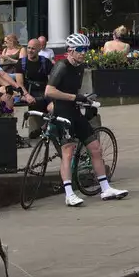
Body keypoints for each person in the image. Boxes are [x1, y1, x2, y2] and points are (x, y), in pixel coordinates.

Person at [44, 33, 126, 207]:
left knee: (95, 148)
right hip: (62, 112)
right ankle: (69, 193)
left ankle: (105, 188)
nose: (83, 53)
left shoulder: (80, 66)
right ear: (70, 51)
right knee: (68, 152)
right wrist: (74, 97)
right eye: (80, 50)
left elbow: (75, 92)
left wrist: (85, 100)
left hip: (75, 111)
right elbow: (49, 91)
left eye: (85, 49)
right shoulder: (61, 66)